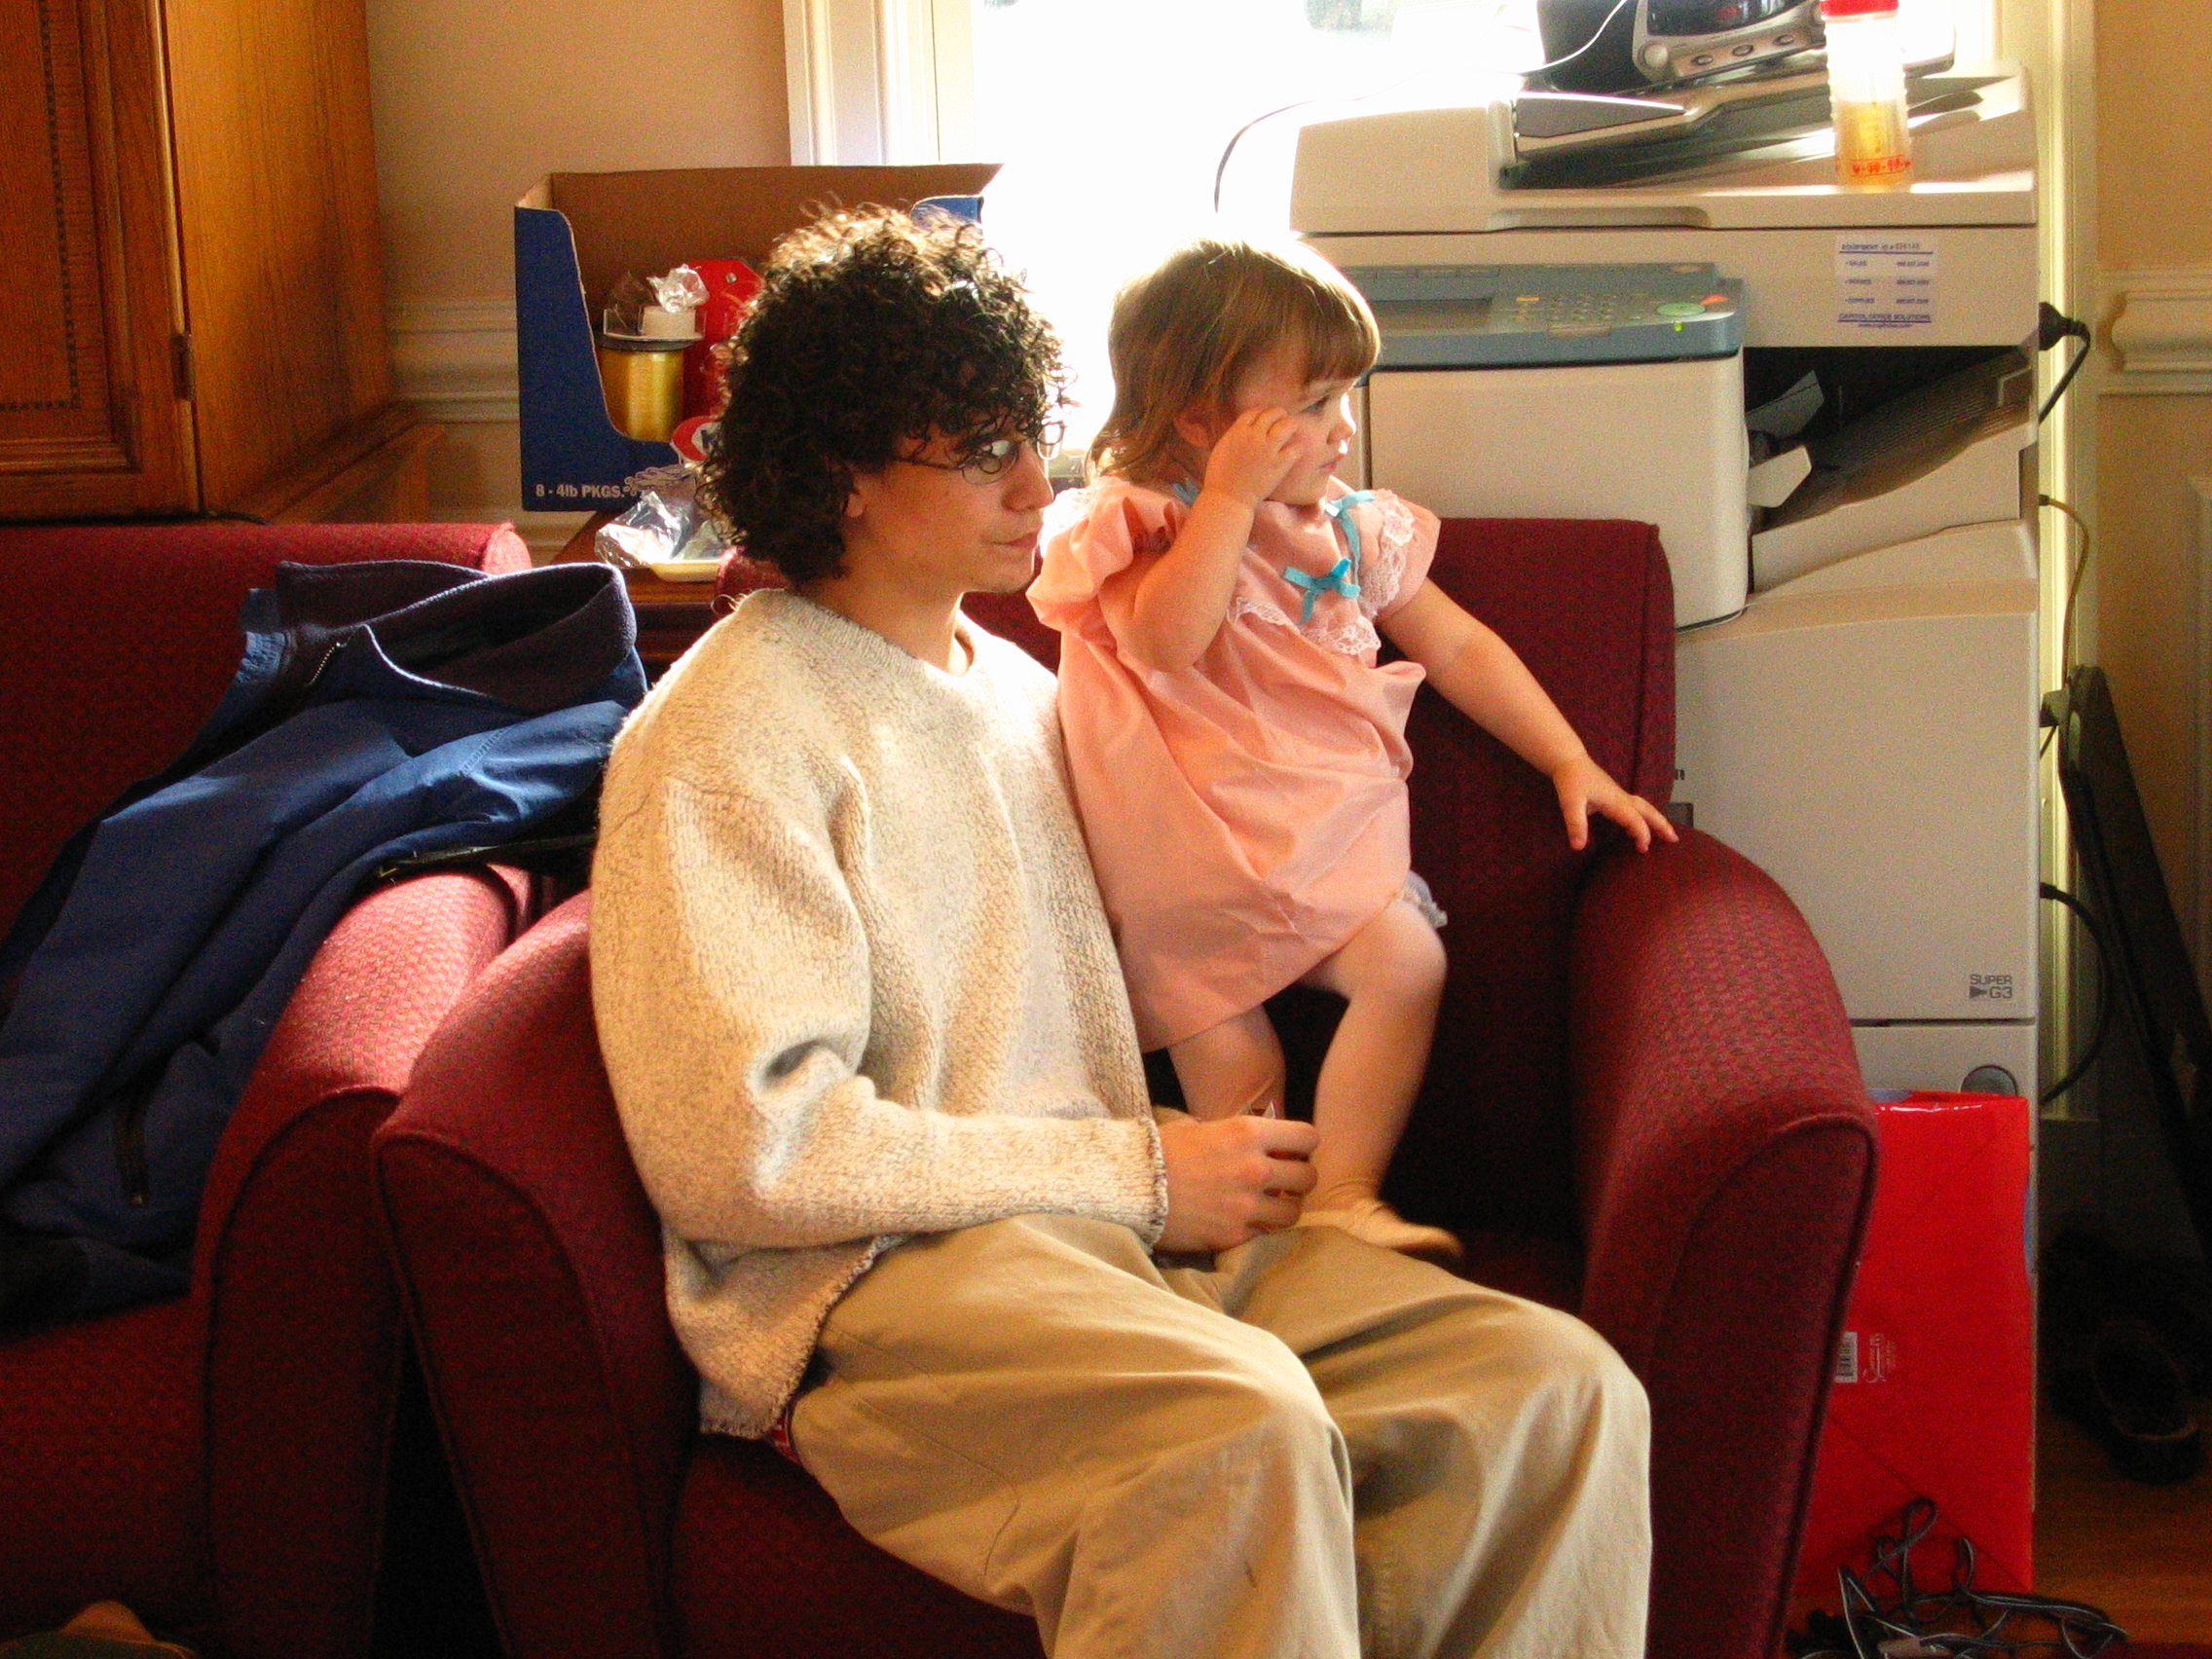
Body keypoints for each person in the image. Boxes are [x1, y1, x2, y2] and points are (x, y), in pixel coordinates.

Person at [590, 206, 1651, 1659]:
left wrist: (1154, 1173)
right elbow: (742, 1156)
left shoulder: (1023, 690)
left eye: (1033, 437)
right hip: (879, 1286)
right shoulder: (727, 739)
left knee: (1552, 1393)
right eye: (982, 452)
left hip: (1113, 1240)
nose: (1040, 485)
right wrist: (1141, 1169)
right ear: (843, 475)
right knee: (1239, 1433)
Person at [1031, 239, 1677, 1264]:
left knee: (1408, 963)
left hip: (1321, 835)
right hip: (1186, 864)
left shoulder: (1348, 531)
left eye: (1345, 398)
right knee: (1235, 1060)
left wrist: (1567, 757)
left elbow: (1457, 647)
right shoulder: (1139, 524)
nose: (1345, 430)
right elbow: (1165, 641)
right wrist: (1229, 503)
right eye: (1315, 405)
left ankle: (1342, 1195)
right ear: (1201, 421)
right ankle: (1257, 1241)